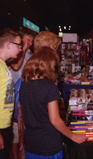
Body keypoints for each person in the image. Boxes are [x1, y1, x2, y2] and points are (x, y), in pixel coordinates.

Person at [19, 46, 87, 159]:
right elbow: (55, 119)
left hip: (31, 142)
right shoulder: (49, 87)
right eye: (53, 66)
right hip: (49, 143)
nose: (54, 69)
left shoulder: (24, 84)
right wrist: (72, 136)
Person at [9, 27, 35, 159]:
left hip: (24, 98)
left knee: (21, 134)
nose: (30, 43)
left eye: (31, 41)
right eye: (28, 40)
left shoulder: (29, 53)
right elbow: (15, 66)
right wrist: (23, 49)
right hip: (14, 98)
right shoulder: (16, 52)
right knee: (15, 136)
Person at [0, 28, 22, 159]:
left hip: (5, 125)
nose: (21, 48)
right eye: (18, 45)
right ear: (8, 44)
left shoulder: (4, 65)